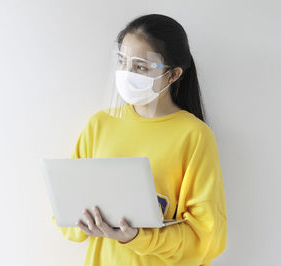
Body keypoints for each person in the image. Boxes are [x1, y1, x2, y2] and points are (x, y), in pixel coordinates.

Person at [51, 13, 227, 266]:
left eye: (141, 67)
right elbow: (65, 217)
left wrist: (137, 237)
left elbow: (207, 237)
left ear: (173, 75)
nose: (126, 73)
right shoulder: (99, 125)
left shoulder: (194, 135)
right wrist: (82, 221)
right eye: (122, 61)